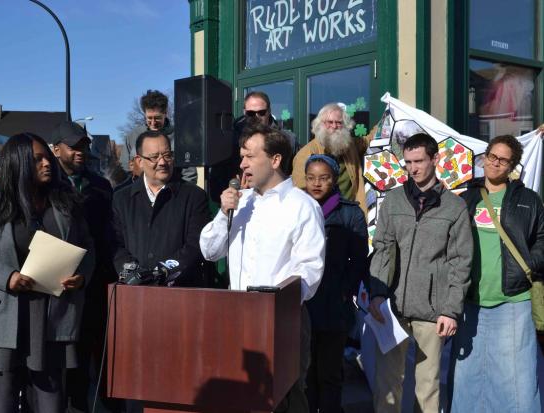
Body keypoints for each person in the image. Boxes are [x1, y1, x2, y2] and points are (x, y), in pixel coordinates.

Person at [0, 133, 95, 413]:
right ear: (17, 163)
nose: (46, 164)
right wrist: (6, 277)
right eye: (37, 159)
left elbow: (88, 247)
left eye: (47, 158)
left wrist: (81, 275)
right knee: (3, 402)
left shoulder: (64, 202)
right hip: (5, 314)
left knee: (50, 401)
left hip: (52, 314)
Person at [200, 123, 325, 413]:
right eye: (241, 156)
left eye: (249, 156)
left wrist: (277, 305)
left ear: (275, 160)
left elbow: (310, 271)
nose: (242, 164)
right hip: (238, 318)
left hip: (282, 321)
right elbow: (209, 250)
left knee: (286, 400)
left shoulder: (302, 206)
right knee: (243, 398)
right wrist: (223, 213)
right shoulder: (240, 203)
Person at [368, 133, 473, 413]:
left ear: (435, 159)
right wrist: (378, 294)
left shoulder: (455, 207)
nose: (412, 168)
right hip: (393, 307)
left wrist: (451, 310)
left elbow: (460, 261)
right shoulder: (393, 201)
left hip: (432, 310)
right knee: (387, 384)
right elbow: (383, 249)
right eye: (408, 162)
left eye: (419, 161)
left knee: (427, 388)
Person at [449, 135, 543, 412]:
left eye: (503, 160)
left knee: (516, 377)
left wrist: (530, 262)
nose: (495, 164)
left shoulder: (528, 199)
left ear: (512, 166)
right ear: (484, 157)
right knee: (468, 374)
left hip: (514, 299)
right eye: (492, 156)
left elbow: (542, 237)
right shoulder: (466, 198)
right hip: (471, 299)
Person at [51, 120, 118, 413]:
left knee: (88, 354)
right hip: (54, 287)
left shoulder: (101, 186)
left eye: (84, 146)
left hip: (92, 283)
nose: (81, 151)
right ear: (56, 149)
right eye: (74, 146)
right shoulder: (45, 185)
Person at [303, 154, 368, 413]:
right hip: (304, 302)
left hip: (334, 306)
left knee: (329, 373)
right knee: (305, 373)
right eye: (311, 178)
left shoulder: (350, 213)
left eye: (324, 178)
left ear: (335, 179)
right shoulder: (298, 207)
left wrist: (345, 291)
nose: (316, 183)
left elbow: (359, 259)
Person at [113, 129, 210, 287]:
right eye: (154, 157)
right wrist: (134, 274)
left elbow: (195, 244)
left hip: (180, 292)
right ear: (139, 161)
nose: (163, 162)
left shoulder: (194, 196)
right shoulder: (121, 199)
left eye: (167, 155)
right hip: (134, 294)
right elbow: (115, 245)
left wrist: (163, 271)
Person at [292, 103, 376, 215]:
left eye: (339, 123)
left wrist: (388, 116)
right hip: (323, 216)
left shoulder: (350, 146)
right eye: (329, 122)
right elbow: (300, 192)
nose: (334, 126)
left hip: (352, 214)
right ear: (320, 125)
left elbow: (369, 139)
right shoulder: (306, 153)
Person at [120, 89, 197, 183]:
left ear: (165, 113)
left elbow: (189, 174)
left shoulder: (180, 137)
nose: (153, 123)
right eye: (149, 118)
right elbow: (124, 169)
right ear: (144, 114)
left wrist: (183, 196)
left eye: (157, 118)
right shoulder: (133, 136)